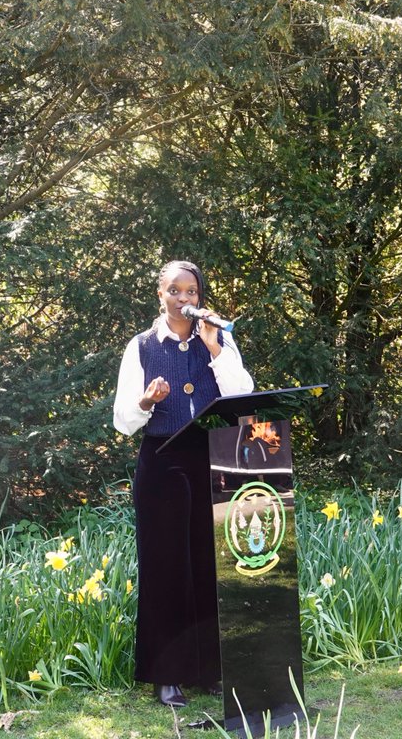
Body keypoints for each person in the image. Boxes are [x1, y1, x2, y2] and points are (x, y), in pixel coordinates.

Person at [113, 260, 254, 707]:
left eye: (191, 291)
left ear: (199, 296)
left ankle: (211, 671)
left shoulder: (219, 339)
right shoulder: (141, 346)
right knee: (167, 567)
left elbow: (243, 393)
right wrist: (146, 400)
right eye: (175, 290)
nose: (184, 299)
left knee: (211, 568)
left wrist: (215, 348)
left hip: (212, 457)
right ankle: (167, 674)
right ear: (161, 295)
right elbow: (123, 422)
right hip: (162, 459)